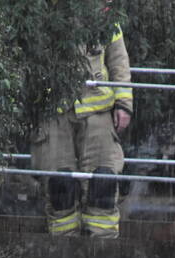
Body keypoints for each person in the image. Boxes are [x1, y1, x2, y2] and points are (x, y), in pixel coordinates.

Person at [31, 25, 132, 239]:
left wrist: (123, 104)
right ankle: (63, 252)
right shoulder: (41, 11)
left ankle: (102, 253)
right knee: (59, 187)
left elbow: (119, 62)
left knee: (103, 184)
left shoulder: (105, 16)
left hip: (98, 111)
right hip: (53, 112)